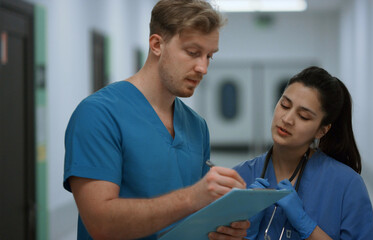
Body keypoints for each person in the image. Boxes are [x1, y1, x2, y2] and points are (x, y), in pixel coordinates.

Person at [63, 0, 250, 239]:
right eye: (193, 53)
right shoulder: (98, 115)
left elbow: (195, 215)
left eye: (209, 56)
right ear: (156, 44)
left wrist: (222, 227)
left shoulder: (196, 126)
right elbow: (101, 224)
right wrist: (192, 197)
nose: (203, 67)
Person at [234, 66, 373, 240]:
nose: (286, 119)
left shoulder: (347, 185)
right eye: (284, 105)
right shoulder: (239, 177)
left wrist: (306, 225)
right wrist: (244, 232)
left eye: (303, 116)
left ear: (322, 131)